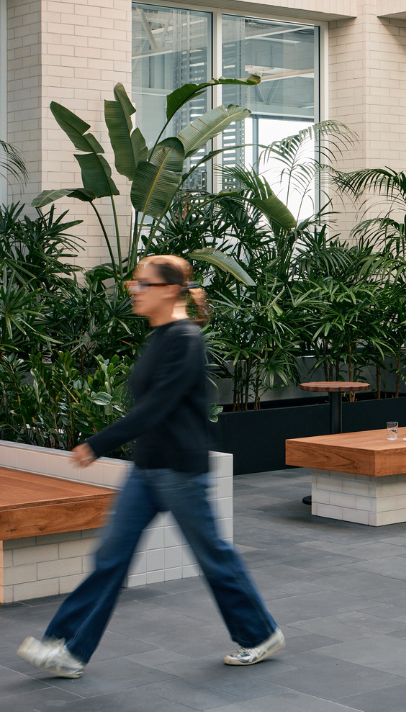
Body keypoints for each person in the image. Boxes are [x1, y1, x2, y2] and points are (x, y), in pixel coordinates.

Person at [18, 255, 284, 679]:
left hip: (180, 470)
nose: (133, 291)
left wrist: (98, 443)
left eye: (141, 284)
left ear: (167, 290)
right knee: (110, 557)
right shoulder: (159, 337)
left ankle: (259, 632)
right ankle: (67, 648)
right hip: (148, 469)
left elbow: (158, 406)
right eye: (133, 283)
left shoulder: (185, 340)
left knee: (213, 556)